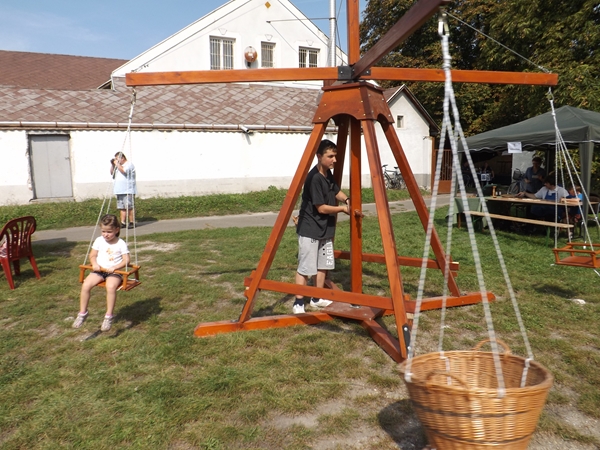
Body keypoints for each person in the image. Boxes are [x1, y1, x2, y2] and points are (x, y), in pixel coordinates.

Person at [293, 139, 350, 314]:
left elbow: (335, 191)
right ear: (319, 156)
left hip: (325, 227)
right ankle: (298, 302)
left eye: (335, 156)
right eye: (330, 156)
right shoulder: (315, 178)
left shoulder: (327, 173)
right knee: (306, 267)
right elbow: (321, 208)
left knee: (322, 264)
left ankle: (316, 298)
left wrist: (347, 199)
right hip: (310, 227)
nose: (334, 160)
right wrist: (343, 209)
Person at [72, 214, 130, 331]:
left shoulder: (120, 243)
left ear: (117, 230)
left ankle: (108, 316)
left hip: (114, 272)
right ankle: (82, 313)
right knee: (86, 285)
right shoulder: (99, 240)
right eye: (103, 231)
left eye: (109, 232)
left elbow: (126, 260)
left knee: (111, 286)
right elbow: (92, 255)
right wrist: (94, 264)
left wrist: (115, 267)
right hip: (99, 270)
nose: (105, 234)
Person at [110, 152, 137, 229]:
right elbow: (112, 173)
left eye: (117, 158)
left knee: (129, 207)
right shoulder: (118, 166)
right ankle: (123, 222)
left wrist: (117, 164)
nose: (116, 160)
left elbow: (124, 171)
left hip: (128, 190)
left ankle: (132, 222)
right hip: (119, 190)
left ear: (122, 158)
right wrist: (113, 165)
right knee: (122, 207)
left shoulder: (129, 165)